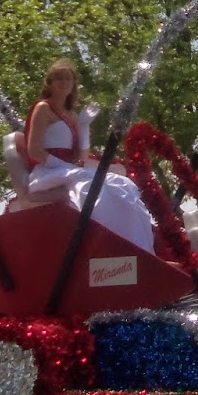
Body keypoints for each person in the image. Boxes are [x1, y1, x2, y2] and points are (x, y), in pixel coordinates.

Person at [24, 59, 155, 253]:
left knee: (123, 184)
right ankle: (105, 247)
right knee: (89, 189)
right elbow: (34, 150)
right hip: (48, 171)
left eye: (68, 78)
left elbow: (81, 156)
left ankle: (136, 247)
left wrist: (84, 126)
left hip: (69, 170)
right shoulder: (43, 108)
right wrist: (64, 167)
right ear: (49, 82)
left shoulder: (72, 115)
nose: (64, 82)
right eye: (59, 77)